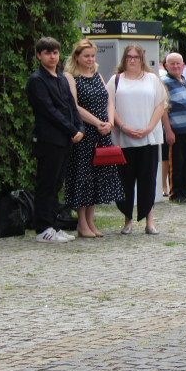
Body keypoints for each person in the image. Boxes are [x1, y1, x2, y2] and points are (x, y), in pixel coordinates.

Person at [63, 38, 125, 236]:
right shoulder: (70, 77)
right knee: (83, 177)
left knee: (97, 178)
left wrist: (108, 122)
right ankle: (81, 223)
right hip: (85, 133)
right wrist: (96, 123)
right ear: (77, 57)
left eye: (92, 56)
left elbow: (108, 101)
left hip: (102, 133)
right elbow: (74, 106)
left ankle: (91, 221)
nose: (90, 60)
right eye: (86, 56)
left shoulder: (97, 75)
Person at [25, 36, 84, 243]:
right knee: (46, 184)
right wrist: (71, 129)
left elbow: (70, 106)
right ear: (38, 55)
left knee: (57, 184)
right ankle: (43, 228)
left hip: (65, 140)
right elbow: (49, 111)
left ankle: (54, 225)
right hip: (49, 139)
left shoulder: (60, 78)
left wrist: (79, 127)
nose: (52, 56)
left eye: (55, 52)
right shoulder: (37, 80)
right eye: (48, 52)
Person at [112, 43, 167, 235]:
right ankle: (127, 220)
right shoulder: (117, 80)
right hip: (125, 138)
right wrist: (123, 126)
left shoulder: (152, 79)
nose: (132, 60)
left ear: (142, 59)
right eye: (129, 57)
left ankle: (149, 221)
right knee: (125, 180)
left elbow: (160, 105)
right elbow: (110, 107)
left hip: (149, 137)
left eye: (136, 57)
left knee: (148, 180)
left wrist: (149, 127)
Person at [161, 52, 186, 203]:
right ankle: (175, 193)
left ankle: (184, 191)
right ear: (166, 66)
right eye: (173, 64)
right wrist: (168, 130)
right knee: (177, 164)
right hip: (176, 130)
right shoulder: (164, 82)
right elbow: (164, 108)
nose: (176, 66)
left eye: (179, 63)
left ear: (183, 65)